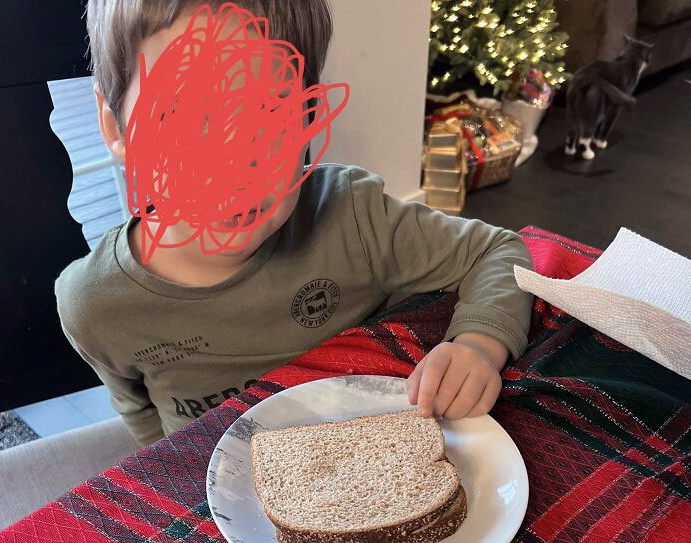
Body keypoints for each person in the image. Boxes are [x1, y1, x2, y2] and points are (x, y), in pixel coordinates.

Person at [56, 0, 534, 448]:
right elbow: (143, 420)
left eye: (268, 114)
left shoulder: (354, 216)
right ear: (115, 126)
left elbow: (496, 251)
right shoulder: (95, 305)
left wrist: (479, 343)